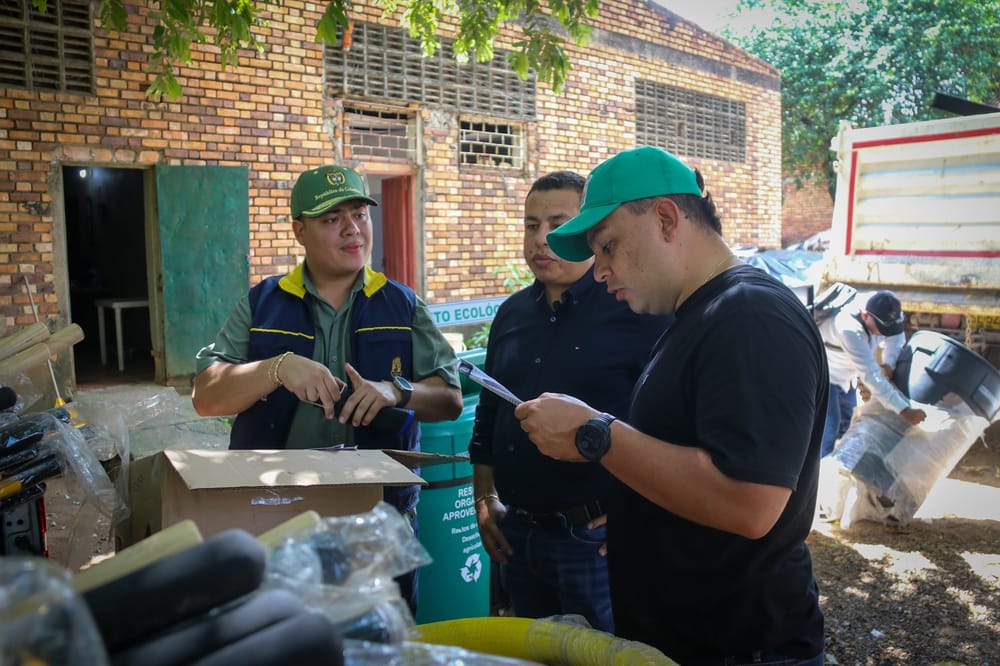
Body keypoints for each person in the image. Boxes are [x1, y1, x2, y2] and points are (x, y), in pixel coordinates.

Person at [513, 146, 827, 665]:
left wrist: (596, 434)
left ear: (665, 219)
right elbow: (688, 456)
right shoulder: (698, 316)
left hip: (740, 645)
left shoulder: (749, 315)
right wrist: (641, 519)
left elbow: (750, 504)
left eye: (608, 246)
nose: (599, 271)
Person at [192, 164, 464, 615]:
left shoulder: (401, 304)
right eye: (332, 219)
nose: (352, 229)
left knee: (381, 635)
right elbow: (206, 395)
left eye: (359, 214)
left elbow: (450, 399)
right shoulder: (262, 304)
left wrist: (396, 391)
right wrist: (276, 369)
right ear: (299, 230)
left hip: (379, 519)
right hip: (279, 516)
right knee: (287, 635)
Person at [468, 171, 671, 633]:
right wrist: (484, 496)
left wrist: (641, 511)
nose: (541, 239)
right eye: (531, 225)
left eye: (558, 225)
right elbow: (489, 413)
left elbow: (668, 424)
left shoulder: (635, 309)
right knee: (533, 651)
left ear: (588, 233)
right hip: (517, 535)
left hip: (594, 541)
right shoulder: (512, 314)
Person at [818, 289, 926, 457]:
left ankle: (840, 465)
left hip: (847, 377)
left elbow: (896, 339)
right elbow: (870, 375)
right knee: (828, 432)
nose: (884, 334)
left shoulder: (887, 307)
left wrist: (888, 364)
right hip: (826, 376)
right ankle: (819, 470)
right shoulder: (848, 327)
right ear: (865, 316)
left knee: (849, 428)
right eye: (881, 329)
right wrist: (903, 410)